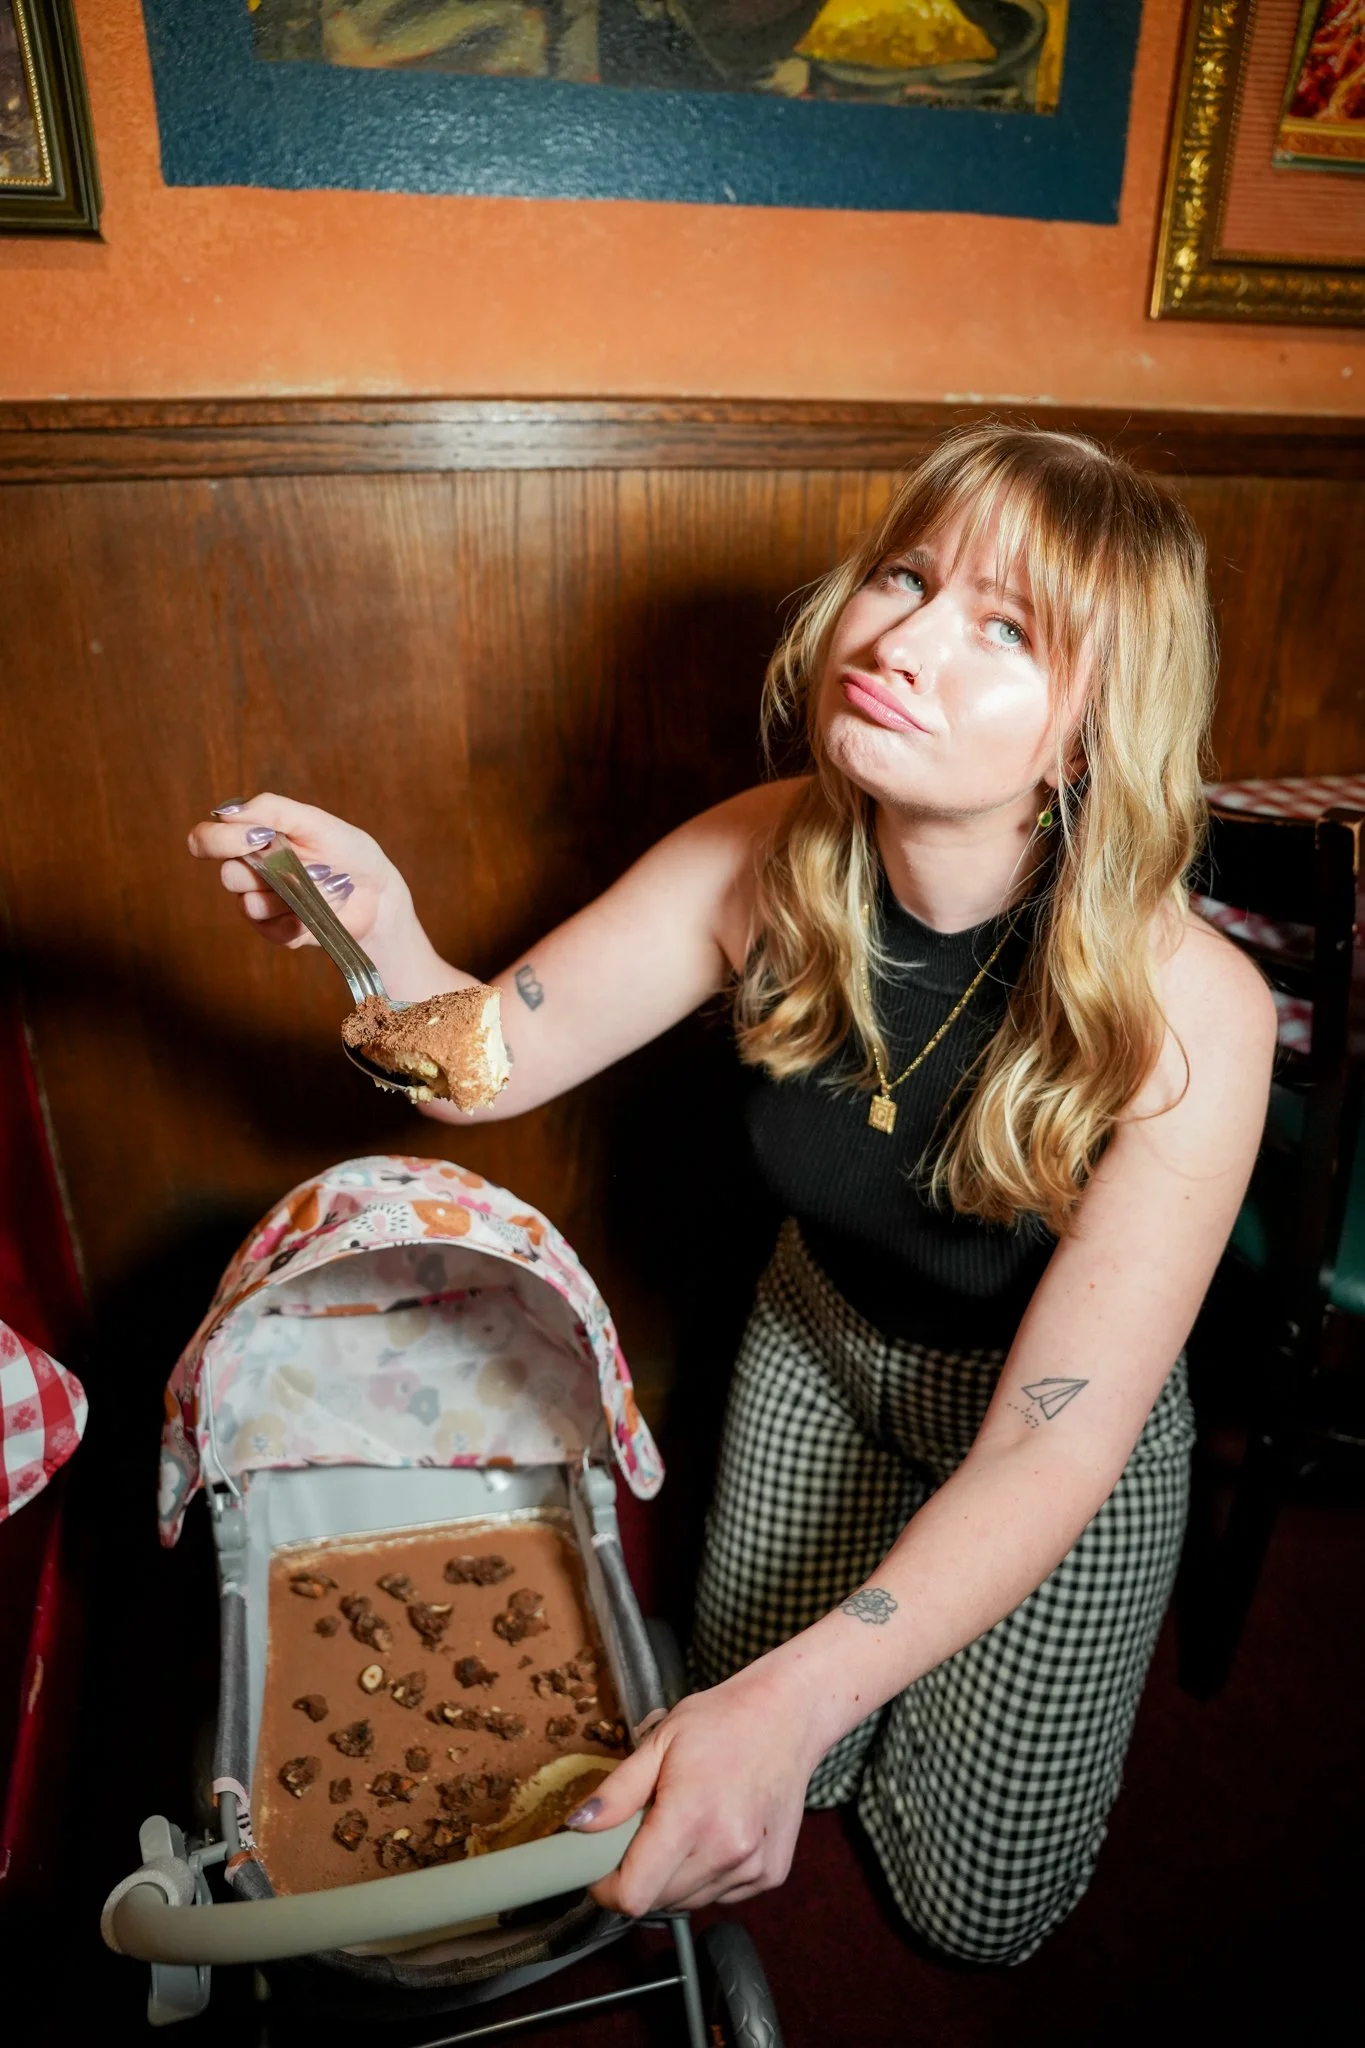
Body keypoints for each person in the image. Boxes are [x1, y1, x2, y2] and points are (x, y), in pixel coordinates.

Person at [188, 424, 1275, 1966]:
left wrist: (817, 1684)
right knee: (762, 1742)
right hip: (819, 1336)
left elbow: (1055, 1437)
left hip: (1047, 1424)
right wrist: (376, 934)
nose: (901, 640)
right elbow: (487, 1055)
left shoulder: (1193, 1007)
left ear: (1095, 728)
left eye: (1006, 629)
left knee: (975, 1914)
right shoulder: (764, 850)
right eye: (907, 577)